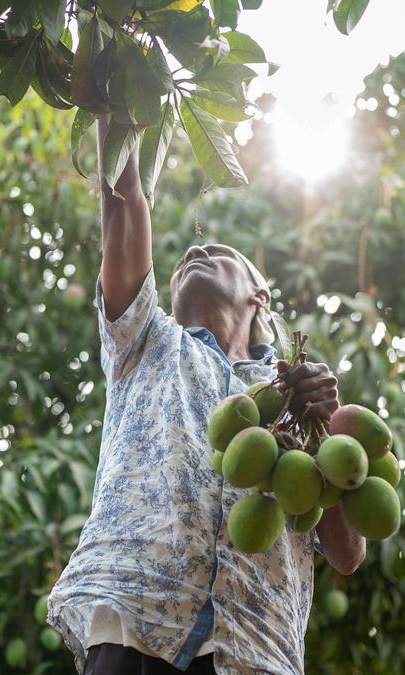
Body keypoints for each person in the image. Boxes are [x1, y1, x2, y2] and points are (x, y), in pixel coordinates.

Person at [46, 119, 366, 675]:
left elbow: (347, 554)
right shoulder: (144, 341)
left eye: (217, 252)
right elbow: (123, 203)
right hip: (138, 624)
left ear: (259, 294)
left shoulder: (299, 403)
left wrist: (325, 432)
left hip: (254, 647)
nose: (196, 249)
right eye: (183, 261)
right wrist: (116, 92)